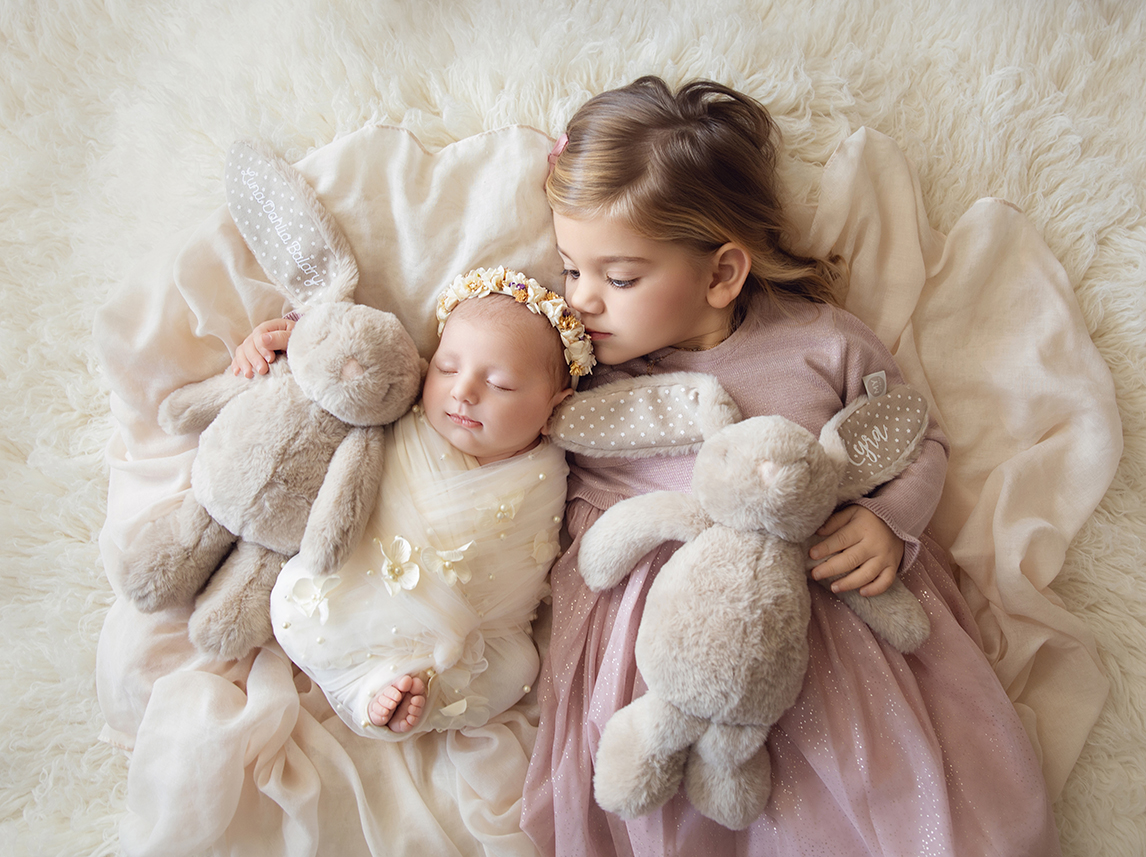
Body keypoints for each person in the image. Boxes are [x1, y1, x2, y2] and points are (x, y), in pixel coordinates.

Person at [520, 76, 1062, 856]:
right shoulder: (577, 370)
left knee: (855, 786)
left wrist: (888, 520)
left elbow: (914, 437)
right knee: (662, 810)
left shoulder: (821, 343)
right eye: (572, 269)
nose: (583, 301)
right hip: (654, 646)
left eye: (620, 277)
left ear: (720, 274)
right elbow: (464, 393)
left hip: (821, 619)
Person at [243, 267, 594, 738]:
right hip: (348, 589)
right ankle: (371, 687)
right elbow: (344, 366)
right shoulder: (405, 402)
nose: (463, 392)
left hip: (467, 639)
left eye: (502, 385)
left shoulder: (550, 472)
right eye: (448, 368)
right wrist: (292, 338)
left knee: (517, 669)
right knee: (297, 602)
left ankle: (384, 697)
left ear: (556, 405)